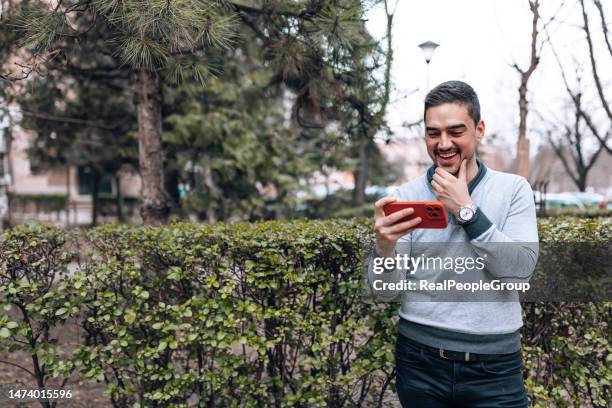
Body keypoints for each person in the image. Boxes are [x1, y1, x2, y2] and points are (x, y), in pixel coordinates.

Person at [368, 80, 538, 407]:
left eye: (455, 131)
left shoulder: (514, 190)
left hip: (495, 368)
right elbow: (384, 292)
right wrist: (384, 249)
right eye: (433, 133)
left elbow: (519, 273)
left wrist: (465, 210)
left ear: (479, 129)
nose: (443, 143)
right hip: (420, 362)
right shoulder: (405, 197)